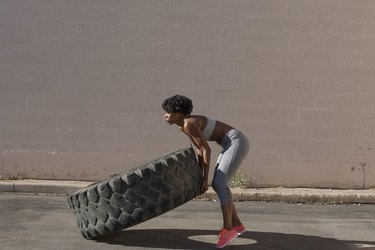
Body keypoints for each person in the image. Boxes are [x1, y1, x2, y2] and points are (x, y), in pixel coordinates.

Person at [162, 94, 249, 249]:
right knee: (219, 184)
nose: (165, 115)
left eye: (168, 112)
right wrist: (200, 175)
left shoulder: (189, 123)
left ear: (179, 112)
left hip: (236, 141)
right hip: (229, 144)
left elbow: (206, 150)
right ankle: (237, 224)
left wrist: (204, 179)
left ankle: (228, 229)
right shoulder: (183, 126)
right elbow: (200, 151)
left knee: (219, 183)